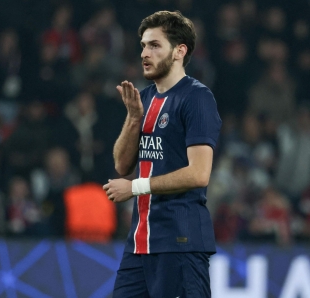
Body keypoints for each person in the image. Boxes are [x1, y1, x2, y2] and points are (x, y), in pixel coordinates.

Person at [103, 11, 222, 298]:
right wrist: (133, 119)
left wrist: (135, 187)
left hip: (180, 241)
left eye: (155, 45)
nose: (145, 53)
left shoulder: (197, 98)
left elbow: (198, 173)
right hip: (141, 243)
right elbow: (121, 165)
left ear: (179, 51)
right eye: (143, 45)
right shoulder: (144, 99)